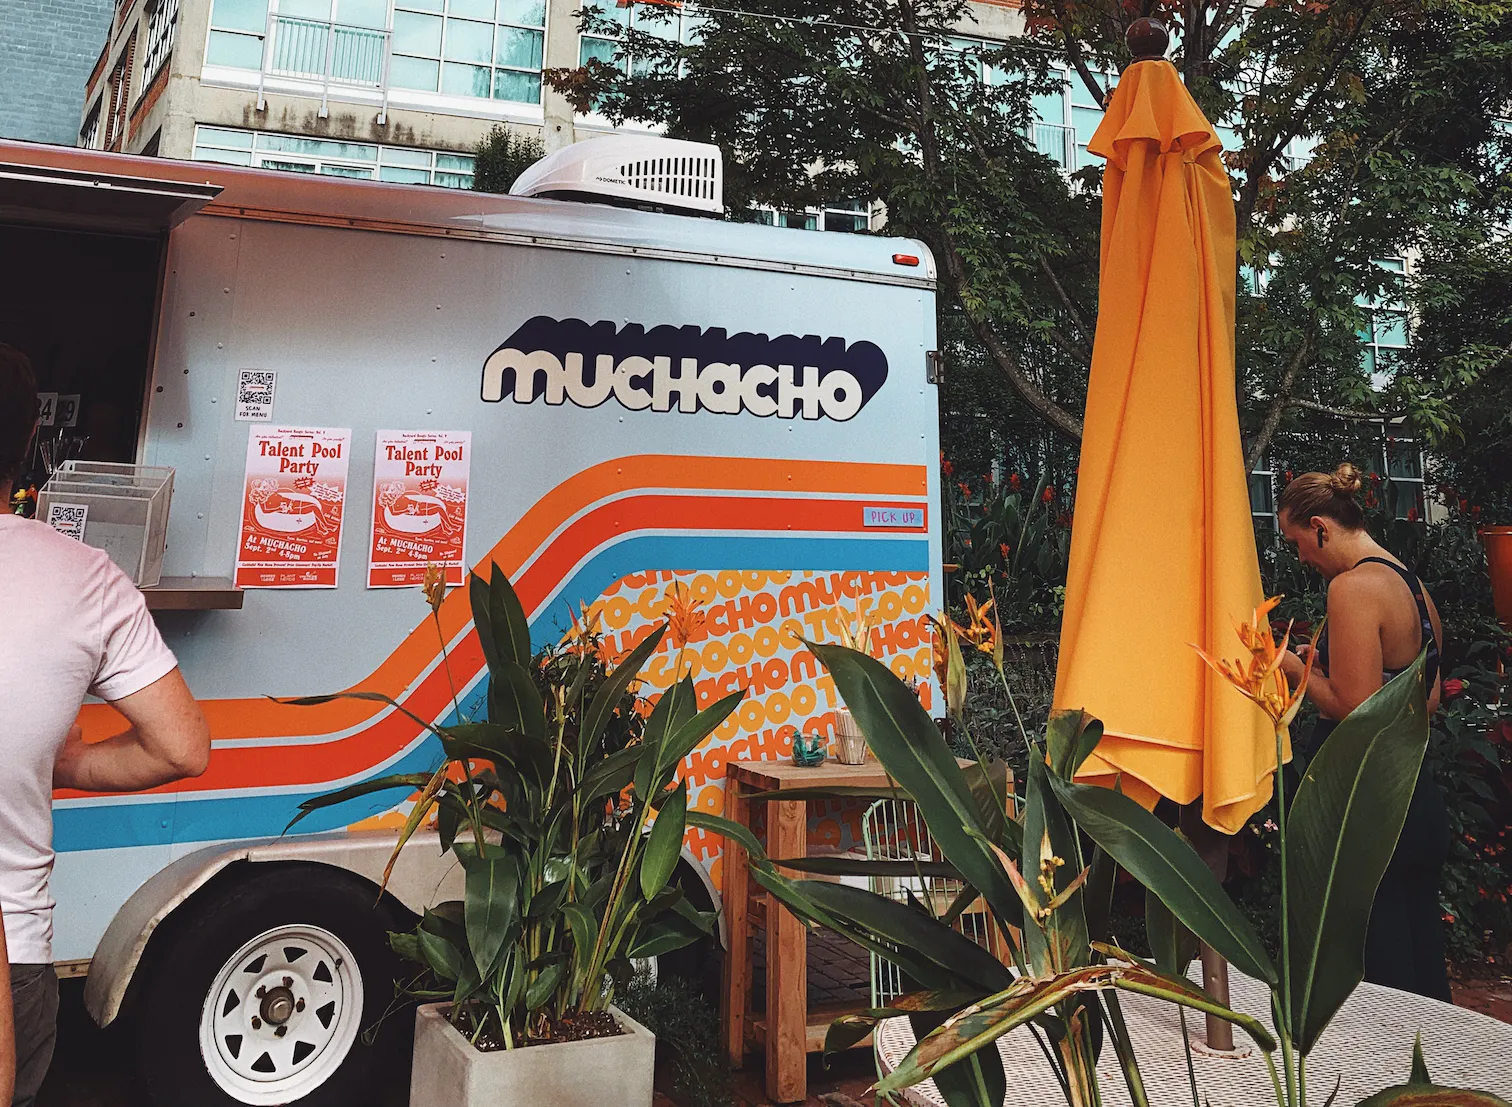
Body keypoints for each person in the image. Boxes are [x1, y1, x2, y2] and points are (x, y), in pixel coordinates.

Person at [0, 343, 211, 1106]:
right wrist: (64, 761)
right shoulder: (86, 576)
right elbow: (182, 746)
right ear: (28, 444)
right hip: (12, 947)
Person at [1275, 462, 1450, 1001]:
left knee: (1379, 972)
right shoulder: (1411, 585)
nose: (1301, 557)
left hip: (1365, 804)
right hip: (1414, 792)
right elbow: (1429, 697)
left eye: (1298, 541)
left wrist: (1289, 666)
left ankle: (1387, 1078)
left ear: (1322, 527)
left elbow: (1355, 708)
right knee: (1420, 959)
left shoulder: (1352, 589)